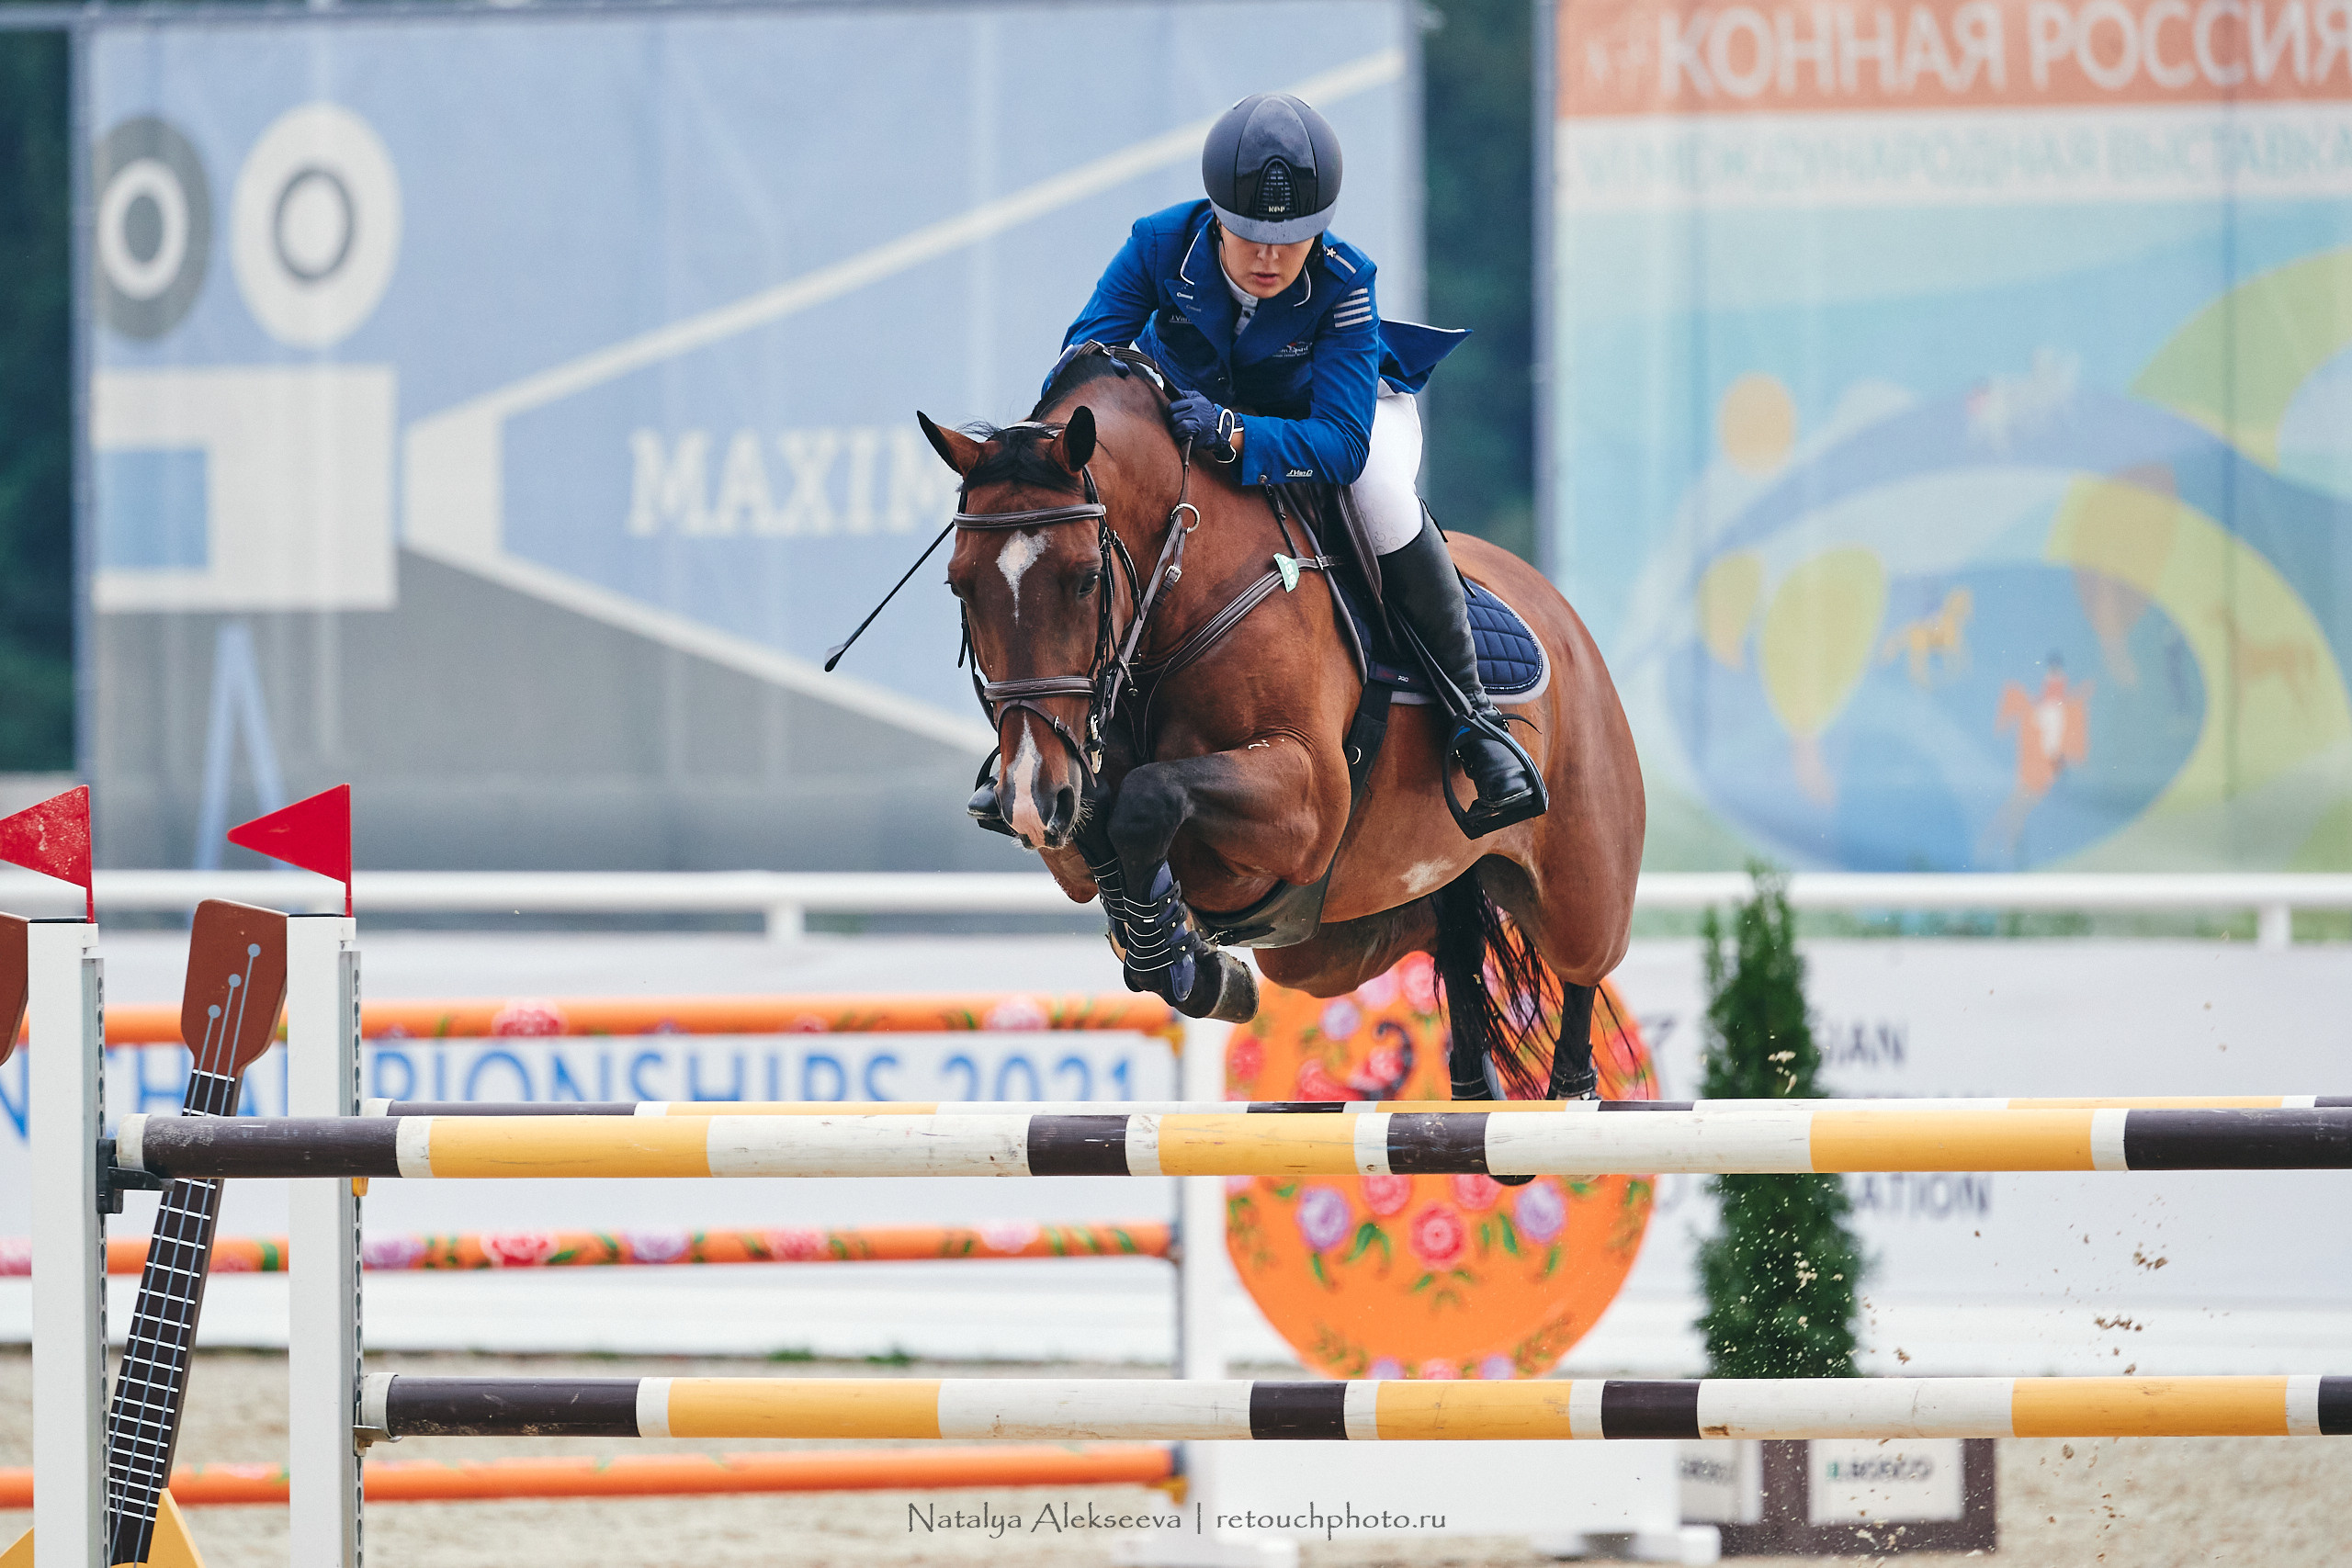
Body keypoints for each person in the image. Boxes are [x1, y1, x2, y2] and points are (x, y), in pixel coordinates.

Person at [1040, 91, 1543, 834]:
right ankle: (1037, 741)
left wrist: (1239, 435)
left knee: (1381, 495)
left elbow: (1341, 443)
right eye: (1249, 237)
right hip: (1193, 420)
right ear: (1216, 218)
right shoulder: (1158, 244)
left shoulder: (1345, 281)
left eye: (1292, 239)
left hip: (1340, 420)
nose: (1270, 257)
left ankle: (1474, 719)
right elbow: (1082, 357)